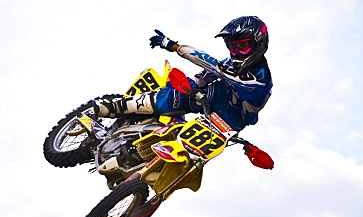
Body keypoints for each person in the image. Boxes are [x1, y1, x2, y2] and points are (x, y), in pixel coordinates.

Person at [89, 16, 273, 131]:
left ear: (258, 42)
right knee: (176, 96)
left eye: (242, 45)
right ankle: (112, 107)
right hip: (218, 98)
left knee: (200, 147)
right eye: (232, 46)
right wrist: (191, 84)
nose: (236, 51)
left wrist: (174, 46)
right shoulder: (232, 64)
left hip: (232, 122)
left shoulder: (257, 81)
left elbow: (212, 65)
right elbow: (208, 75)